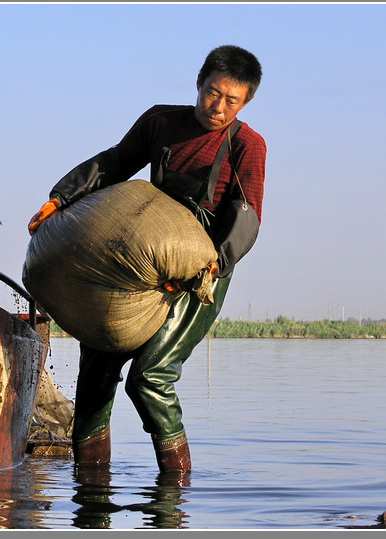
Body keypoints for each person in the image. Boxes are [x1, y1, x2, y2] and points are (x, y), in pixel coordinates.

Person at [28, 45, 266, 474]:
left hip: (201, 272)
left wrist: (211, 266)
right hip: (138, 257)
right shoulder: (161, 121)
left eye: (232, 100)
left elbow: (247, 216)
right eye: (213, 93)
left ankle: (172, 496)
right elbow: (117, 162)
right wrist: (62, 196)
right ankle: (91, 490)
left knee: (150, 379)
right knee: (96, 370)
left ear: (246, 101)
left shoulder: (247, 145)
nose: (218, 106)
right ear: (199, 83)